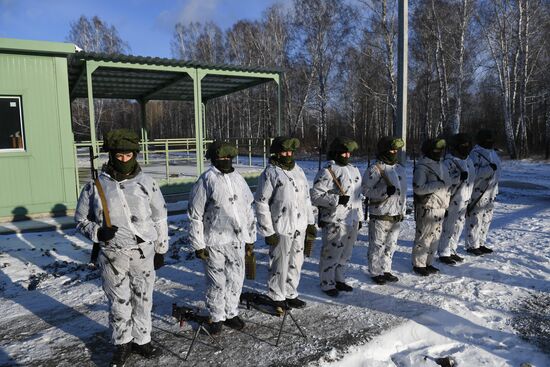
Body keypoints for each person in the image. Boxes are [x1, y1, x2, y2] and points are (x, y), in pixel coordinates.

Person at [75, 129, 168, 367]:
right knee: (118, 301)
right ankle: (122, 342)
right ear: (111, 154)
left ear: (135, 154)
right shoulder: (95, 186)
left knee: (143, 298)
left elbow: (160, 217)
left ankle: (142, 339)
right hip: (112, 254)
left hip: (143, 252)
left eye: (128, 154)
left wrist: (161, 248)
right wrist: (97, 232)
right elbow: (80, 220)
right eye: (119, 154)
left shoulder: (148, 183)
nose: (124, 159)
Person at [187, 141, 256, 334]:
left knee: (236, 279)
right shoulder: (206, 180)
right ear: (213, 158)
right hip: (213, 241)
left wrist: (250, 237)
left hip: (237, 240)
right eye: (221, 158)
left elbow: (248, 209)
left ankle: (231, 312)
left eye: (228, 158)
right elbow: (195, 214)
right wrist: (198, 243)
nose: (225, 161)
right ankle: (216, 316)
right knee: (216, 281)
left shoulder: (238, 179)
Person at [254, 137, 316, 309]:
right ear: (276, 153)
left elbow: (306, 199)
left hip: (299, 226)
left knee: (296, 261)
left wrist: (310, 222)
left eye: (290, 152)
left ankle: (290, 292)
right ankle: (276, 295)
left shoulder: (299, 170)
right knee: (279, 263)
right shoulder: (270, 173)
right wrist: (267, 230)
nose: (288, 155)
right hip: (281, 226)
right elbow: (261, 202)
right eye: (284, 152)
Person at [311, 137, 363, 297]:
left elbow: (357, 195)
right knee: (331, 253)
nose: (346, 155)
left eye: (348, 153)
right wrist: (336, 200)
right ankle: (327, 282)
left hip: (351, 218)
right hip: (335, 219)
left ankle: (339, 278)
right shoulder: (328, 171)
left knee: (345, 253)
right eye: (343, 152)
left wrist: (359, 217)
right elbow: (315, 195)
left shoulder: (354, 169)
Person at [362, 136, 406, 285]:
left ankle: (386, 269)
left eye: (395, 150)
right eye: (391, 150)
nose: (394, 152)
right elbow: (365, 190)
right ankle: (375, 271)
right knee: (377, 245)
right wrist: (384, 191)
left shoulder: (399, 168)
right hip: (380, 213)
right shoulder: (375, 169)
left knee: (391, 245)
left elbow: (403, 192)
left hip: (395, 213)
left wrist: (403, 209)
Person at [412, 138, 451, 276]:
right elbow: (418, 189)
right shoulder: (423, 167)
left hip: (440, 207)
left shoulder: (442, 165)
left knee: (435, 238)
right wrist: (437, 185)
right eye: (436, 150)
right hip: (428, 207)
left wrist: (446, 205)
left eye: (441, 150)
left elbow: (447, 187)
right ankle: (419, 264)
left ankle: (428, 262)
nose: (439, 153)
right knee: (424, 237)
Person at [438, 133, 475, 264]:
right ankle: (444, 251)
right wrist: (458, 178)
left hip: (464, 199)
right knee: (449, 226)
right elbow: (445, 183)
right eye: (463, 145)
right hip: (453, 199)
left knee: (458, 226)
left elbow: (471, 181)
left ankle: (452, 249)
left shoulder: (469, 161)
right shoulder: (449, 162)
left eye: (467, 145)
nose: (466, 147)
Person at [464, 129, 501, 255]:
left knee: (486, 219)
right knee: (475, 220)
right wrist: (488, 170)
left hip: (490, 192)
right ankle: (472, 245)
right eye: (487, 139)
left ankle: (481, 242)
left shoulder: (493, 153)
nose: (490, 142)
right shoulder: (475, 154)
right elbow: (472, 174)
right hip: (478, 192)